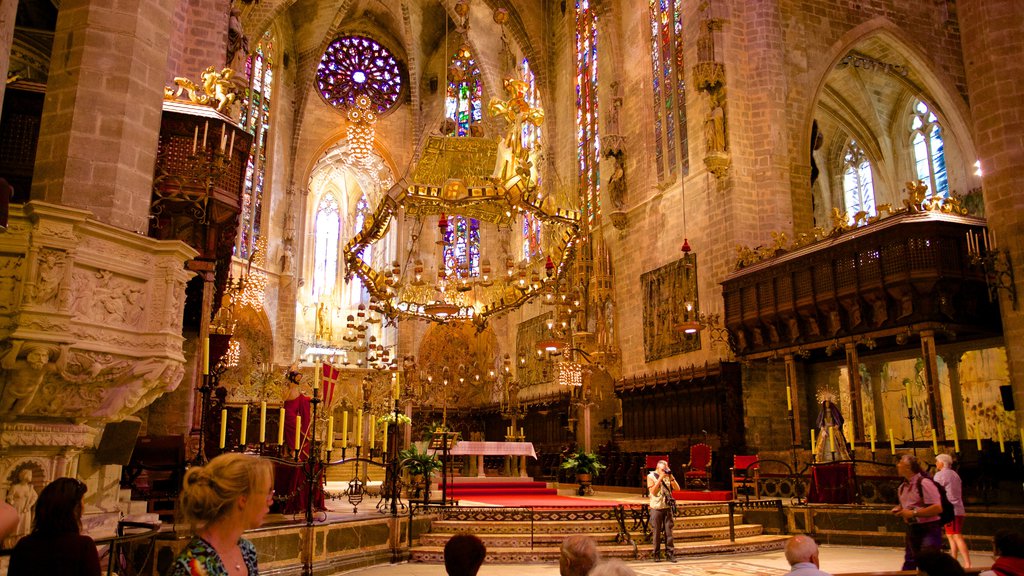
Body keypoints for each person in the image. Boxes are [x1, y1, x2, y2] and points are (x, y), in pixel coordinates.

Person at [168, 453, 274, 576]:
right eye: (267, 493)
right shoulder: (191, 566)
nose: (270, 501)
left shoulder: (247, 550)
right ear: (243, 499)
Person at [8, 477, 100, 576]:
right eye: (81, 503)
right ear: (73, 509)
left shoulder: (24, 545)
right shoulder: (84, 546)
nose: (83, 509)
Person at [891, 454, 944, 570]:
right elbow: (910, 505)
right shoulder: (902, 488)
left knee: (929, 562)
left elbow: (937, 508)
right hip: (912, 528)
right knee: (910, 562)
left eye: (900, 463)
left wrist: (913, 513)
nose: (897, 466)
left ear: (908, 468)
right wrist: (900, 509)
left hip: (929, 528)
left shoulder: (924, 483)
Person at [934, 453, 970, 568]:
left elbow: (935, 491)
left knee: (956, 535)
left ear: (941, 463)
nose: (935, 464)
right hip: (958, 508)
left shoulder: (940, 475)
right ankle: (953, 561)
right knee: (951, 535)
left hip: (951, 510)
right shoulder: (955, 474)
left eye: (937, 461)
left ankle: (967, 563)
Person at [647, 459, 680, 562]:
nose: (664, 471)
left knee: (668, 532)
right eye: (663, 469)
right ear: (657, 468)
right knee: (656, 532)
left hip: (667, 507)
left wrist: (671, 477)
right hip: (656, 508)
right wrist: (660, 478)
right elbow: (652, 491)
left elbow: (678, 489)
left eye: (666, 469)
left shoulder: (668, 477)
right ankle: (656, 554)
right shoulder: (651, 476)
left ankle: (670, 553)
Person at [5, 468, 37, 539]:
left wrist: (29, 505)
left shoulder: (30, 488)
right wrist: (12, 502)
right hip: (16, 508)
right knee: (15, 527)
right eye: (30, 475)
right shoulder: (15, 487)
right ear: (24, 476)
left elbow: (35, 497)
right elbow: (9, 497)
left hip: (26, 510)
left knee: (24, 527)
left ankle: (21, 539)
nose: (31, 477)